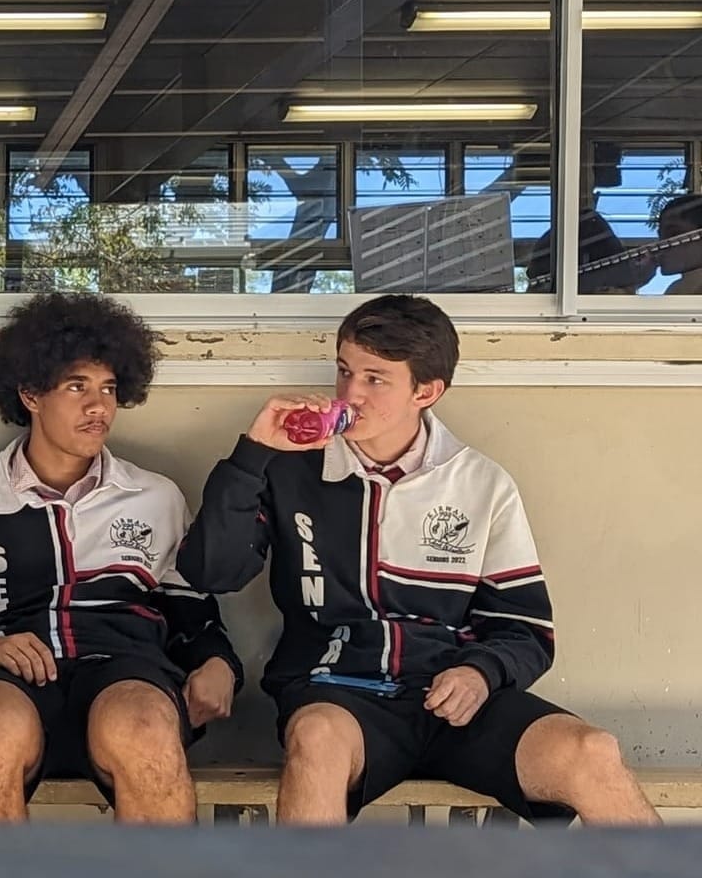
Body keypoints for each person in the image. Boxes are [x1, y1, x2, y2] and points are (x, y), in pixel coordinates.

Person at [177, 294, 661, 826]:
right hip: (337, 698)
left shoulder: (480, 483)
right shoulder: (290, 470)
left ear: (426, 391)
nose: (350, 393)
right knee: (315, 738)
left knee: (591, 751)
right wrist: (253, 454)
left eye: (375, 379)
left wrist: (480, 673)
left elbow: (525, 630)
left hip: (452, 702)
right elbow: (211, 573)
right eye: (344, 372)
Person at [0, 293, 242, 823]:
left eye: (108, 388)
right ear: (31, 393)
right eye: (77, 386)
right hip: (5, 684)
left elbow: (192, 613)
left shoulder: (156, 496)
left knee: (143, 726)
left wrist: (220, 664)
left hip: (126, 674)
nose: (99, 407)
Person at [655, 194, 702, 296]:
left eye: (674, 234)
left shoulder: (680, 292)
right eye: (660, 237)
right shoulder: (677, 291)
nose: (660, 247)